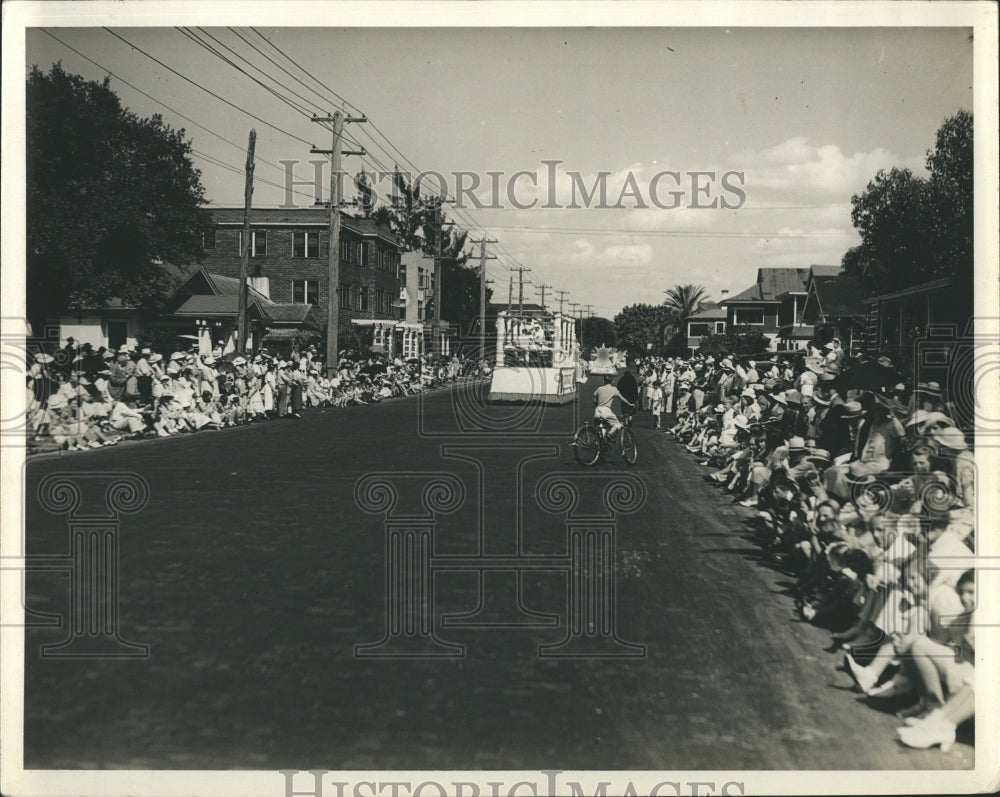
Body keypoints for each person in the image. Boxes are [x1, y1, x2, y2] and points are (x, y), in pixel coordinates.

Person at [594, 374, 634, 438]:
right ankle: (610, 435)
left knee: (601, 427)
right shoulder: (614, 389)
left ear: (603, 381)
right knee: (618, 424)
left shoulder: (599, 389)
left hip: (597, 410)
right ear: (612, 381)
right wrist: (630, 404)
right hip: (606, 410)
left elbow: (594, 401)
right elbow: (623, 399)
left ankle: (599, 443)